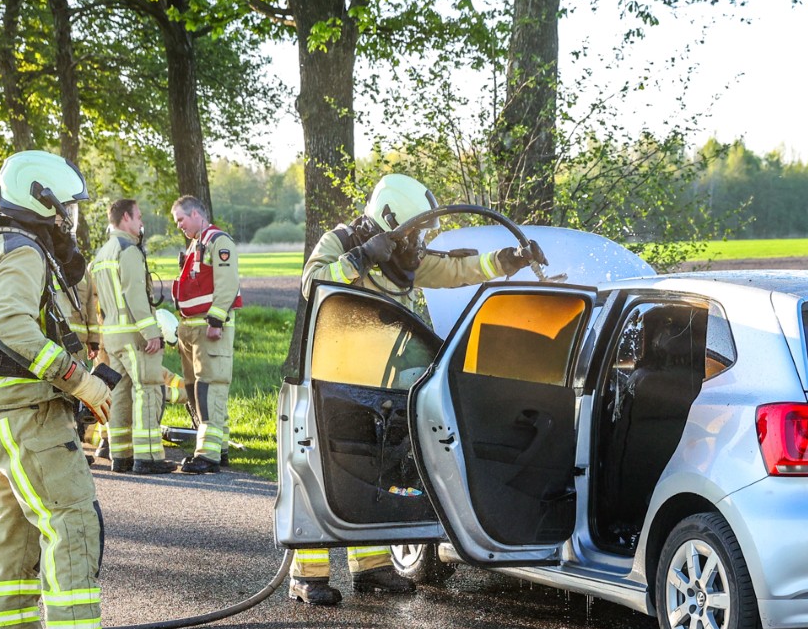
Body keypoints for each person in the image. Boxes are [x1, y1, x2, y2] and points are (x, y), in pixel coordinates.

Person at [289, 173, 544, 605]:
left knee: (371, 472)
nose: (422, 242)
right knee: (320, 470)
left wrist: (507, 260)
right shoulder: (341, 242)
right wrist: (360, 258)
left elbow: (453, 269)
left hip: (377, 383)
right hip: (329, 379)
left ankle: (371, 568)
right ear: (391, 220)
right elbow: (312, 285)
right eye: (419, 231)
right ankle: (307, 575)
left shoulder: (404, 256)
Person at [0, 150, 146, 629]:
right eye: (65, 204)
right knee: (71, 521)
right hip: (28, 414)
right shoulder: (22, 250)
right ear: (40, 198)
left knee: (13, 526)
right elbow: (13, 327)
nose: (71, 214)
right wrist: (80, 381)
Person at [88, 198, 173, 474]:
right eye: (138, 217)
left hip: (111, 336)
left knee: (121, 394)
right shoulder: (129, 250)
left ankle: (121, 456)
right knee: (148, 390)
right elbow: (135, 295)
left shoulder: (101, 255)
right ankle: (148, 457)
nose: (141, 223)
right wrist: (151, 332)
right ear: (126, 218)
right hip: (134, 336)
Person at [169, 195, 241, 474]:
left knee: (210, 386)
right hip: (192, 326)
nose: (179, 226)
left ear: (197, 214)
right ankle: (219, 448)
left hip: (209, 327)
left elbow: (227, 282)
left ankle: (207, 455)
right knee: (196, 388)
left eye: (181, 220)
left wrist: (216, 319)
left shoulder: (217, 242)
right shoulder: (195, 244)